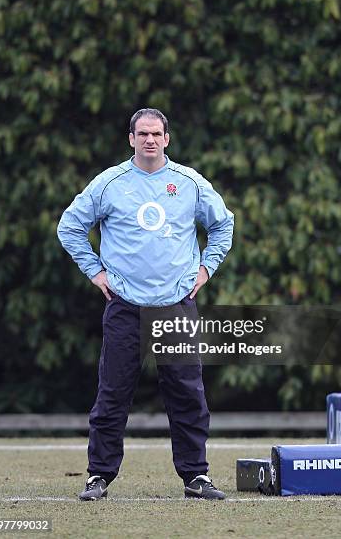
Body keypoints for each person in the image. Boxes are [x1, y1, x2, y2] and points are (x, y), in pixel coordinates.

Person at [57, 108, 234, 501]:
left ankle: (196, 476)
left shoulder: (190, 183)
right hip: (125, 305)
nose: (150, 140)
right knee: (113, 393)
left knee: (188, 393)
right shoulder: (110, 184)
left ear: (167, 139)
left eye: (157, 133)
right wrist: (94, 271)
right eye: (143, 134)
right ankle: (98, 476)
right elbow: (69, 226)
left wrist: (206, 269)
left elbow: (223, 224)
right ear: (131, 138)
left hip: (176, 304)